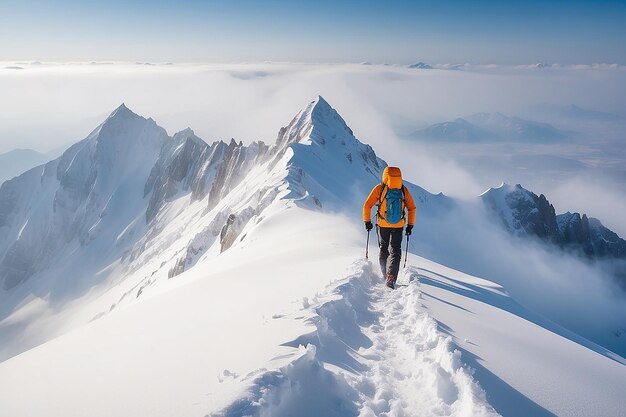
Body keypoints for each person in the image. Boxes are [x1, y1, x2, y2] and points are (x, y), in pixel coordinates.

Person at [362, 167, 416, 289]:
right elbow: (412, 208)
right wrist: (410, 226)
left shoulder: (380, 189)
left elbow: (367, 205)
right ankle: (391, 277)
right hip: (398, 225)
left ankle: (384, 274)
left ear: (385, 176)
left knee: (384, 247)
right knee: (396, 250)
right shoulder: (403, 189)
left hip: (383, 224)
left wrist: (367, 221)